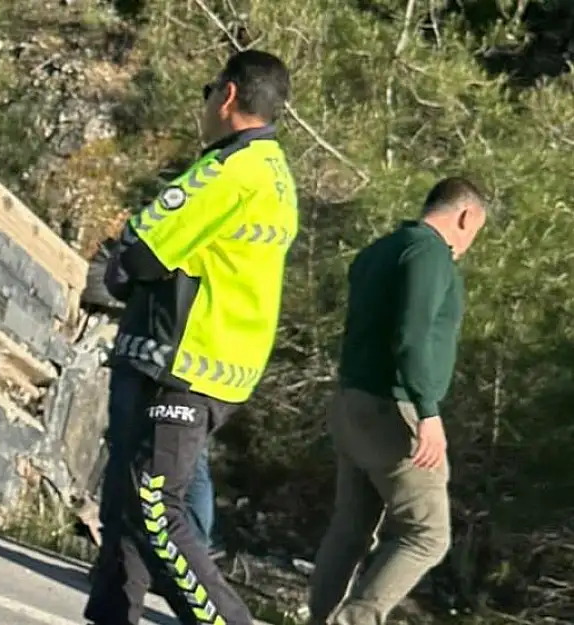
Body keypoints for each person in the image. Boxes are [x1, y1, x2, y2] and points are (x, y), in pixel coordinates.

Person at [84, 48, 299, 625]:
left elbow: (143, 246)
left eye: (208, 91)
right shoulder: (275, 171)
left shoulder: (230, 168)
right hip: (221, 363)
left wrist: (120, 265)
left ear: (227, 95)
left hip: (182, 359)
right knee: (132, 503)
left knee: (154, 508)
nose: (203, 103)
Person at [305, 177, 488, 625]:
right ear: (464, 216)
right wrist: (428, 411)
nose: (466, 246)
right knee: (427, 534)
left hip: (352, 402)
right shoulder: (429, 253)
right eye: (473, 232)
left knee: (351, 528)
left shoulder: (378, 251)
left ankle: (319, 619)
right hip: (395, 408)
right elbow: (413, 336)